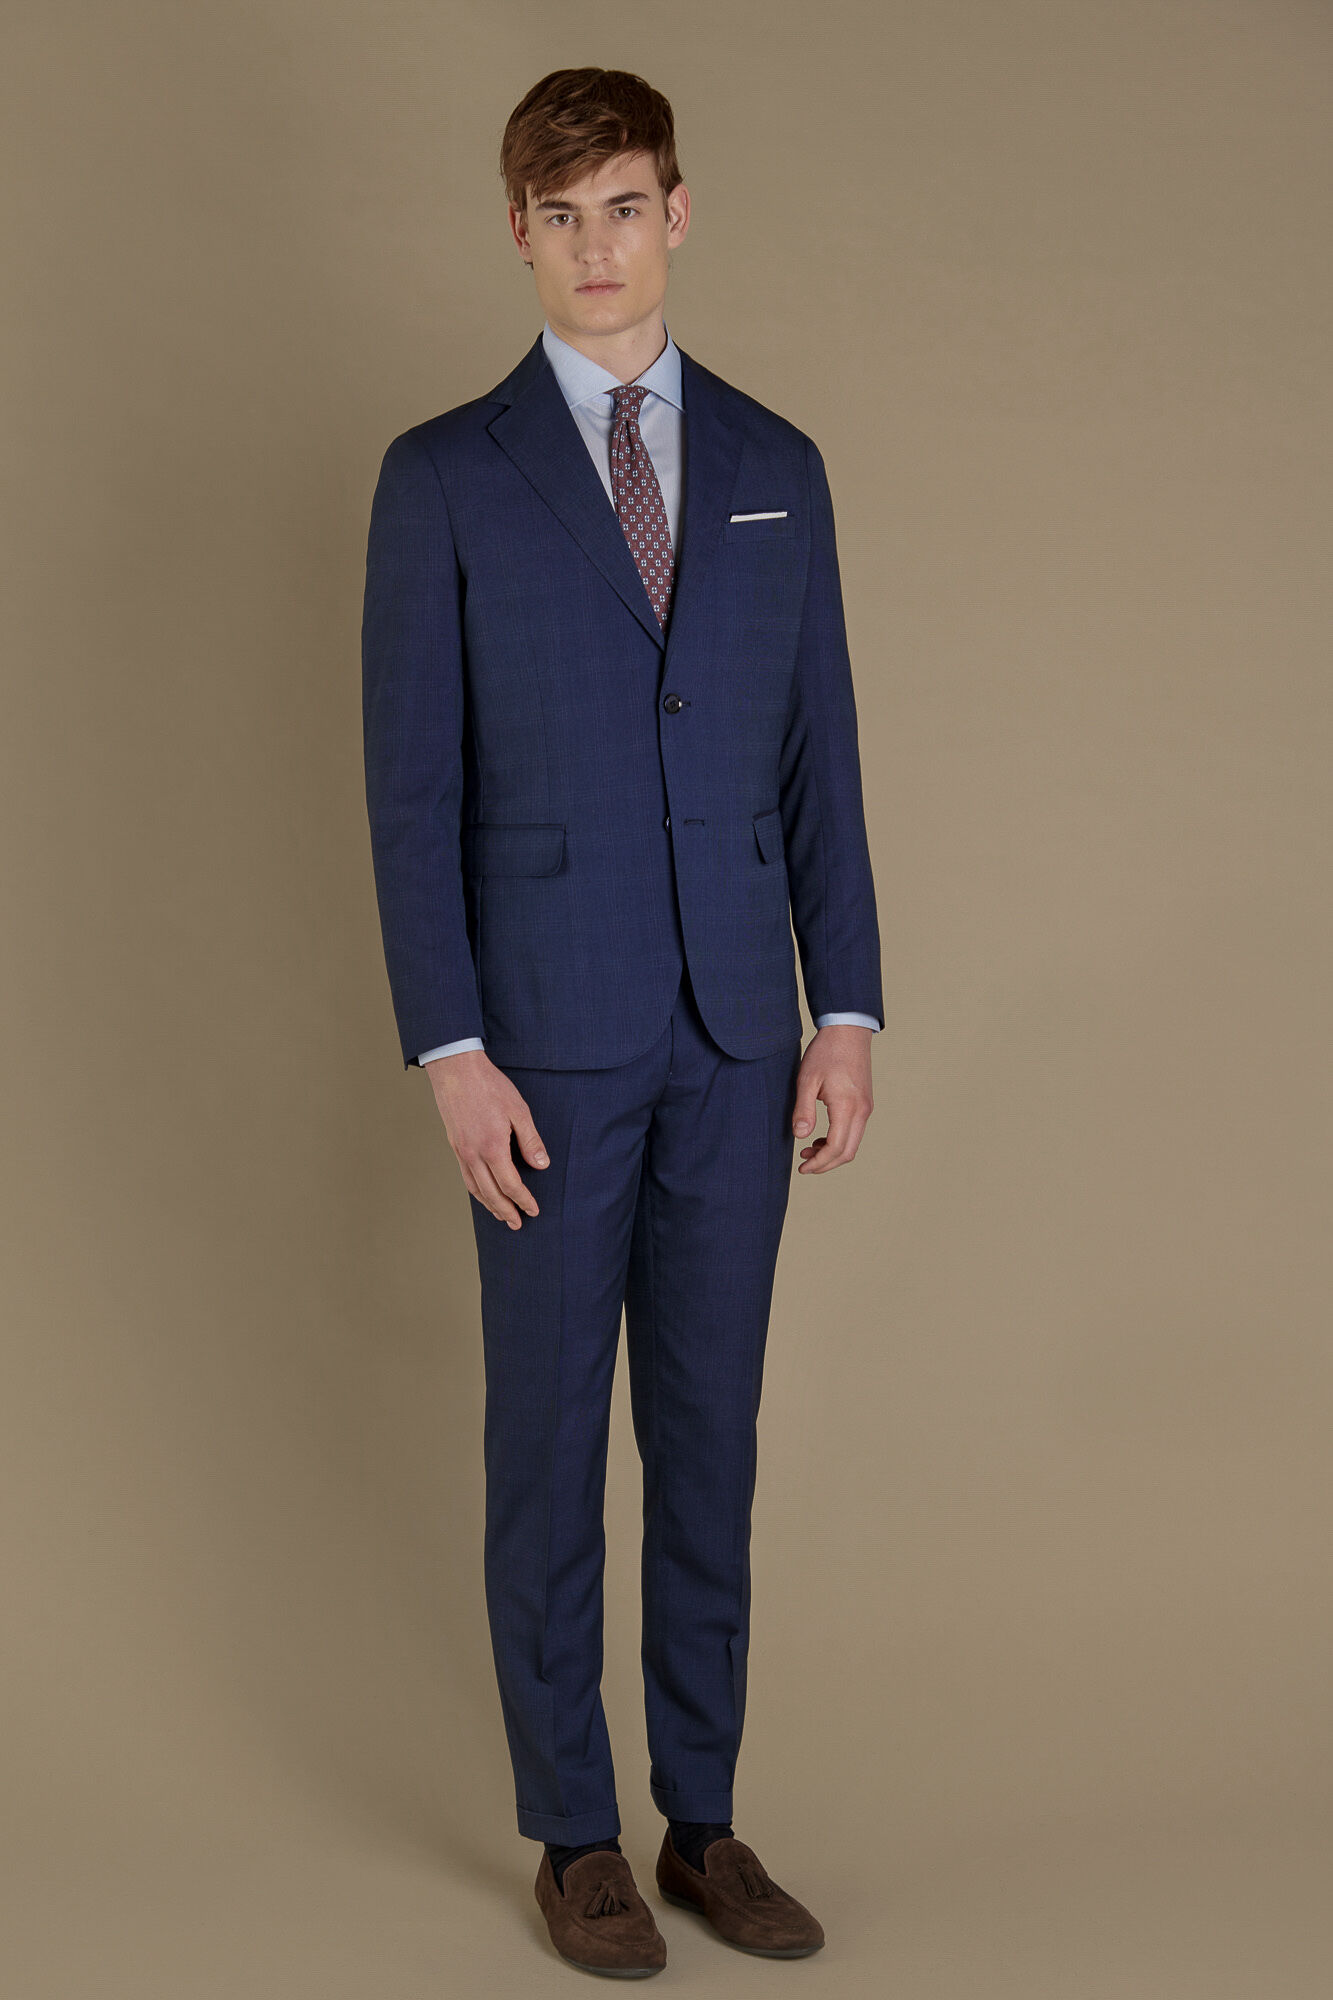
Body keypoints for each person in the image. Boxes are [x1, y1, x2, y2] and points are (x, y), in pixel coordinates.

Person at [361, 65, 882, 1977]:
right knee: (547, 1447)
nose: (598, 247)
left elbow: (820, 762)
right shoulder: (444, 475)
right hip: (541, 1051)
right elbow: (411, 794)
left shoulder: (774, 461)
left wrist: (846, 1012)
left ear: (679, 212)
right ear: (519, 231)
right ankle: (573, 1836)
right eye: (561, 215)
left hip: (741, 1040)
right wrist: (451, 1052)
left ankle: (703, 1822)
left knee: (708, 1442)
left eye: (626, 207)